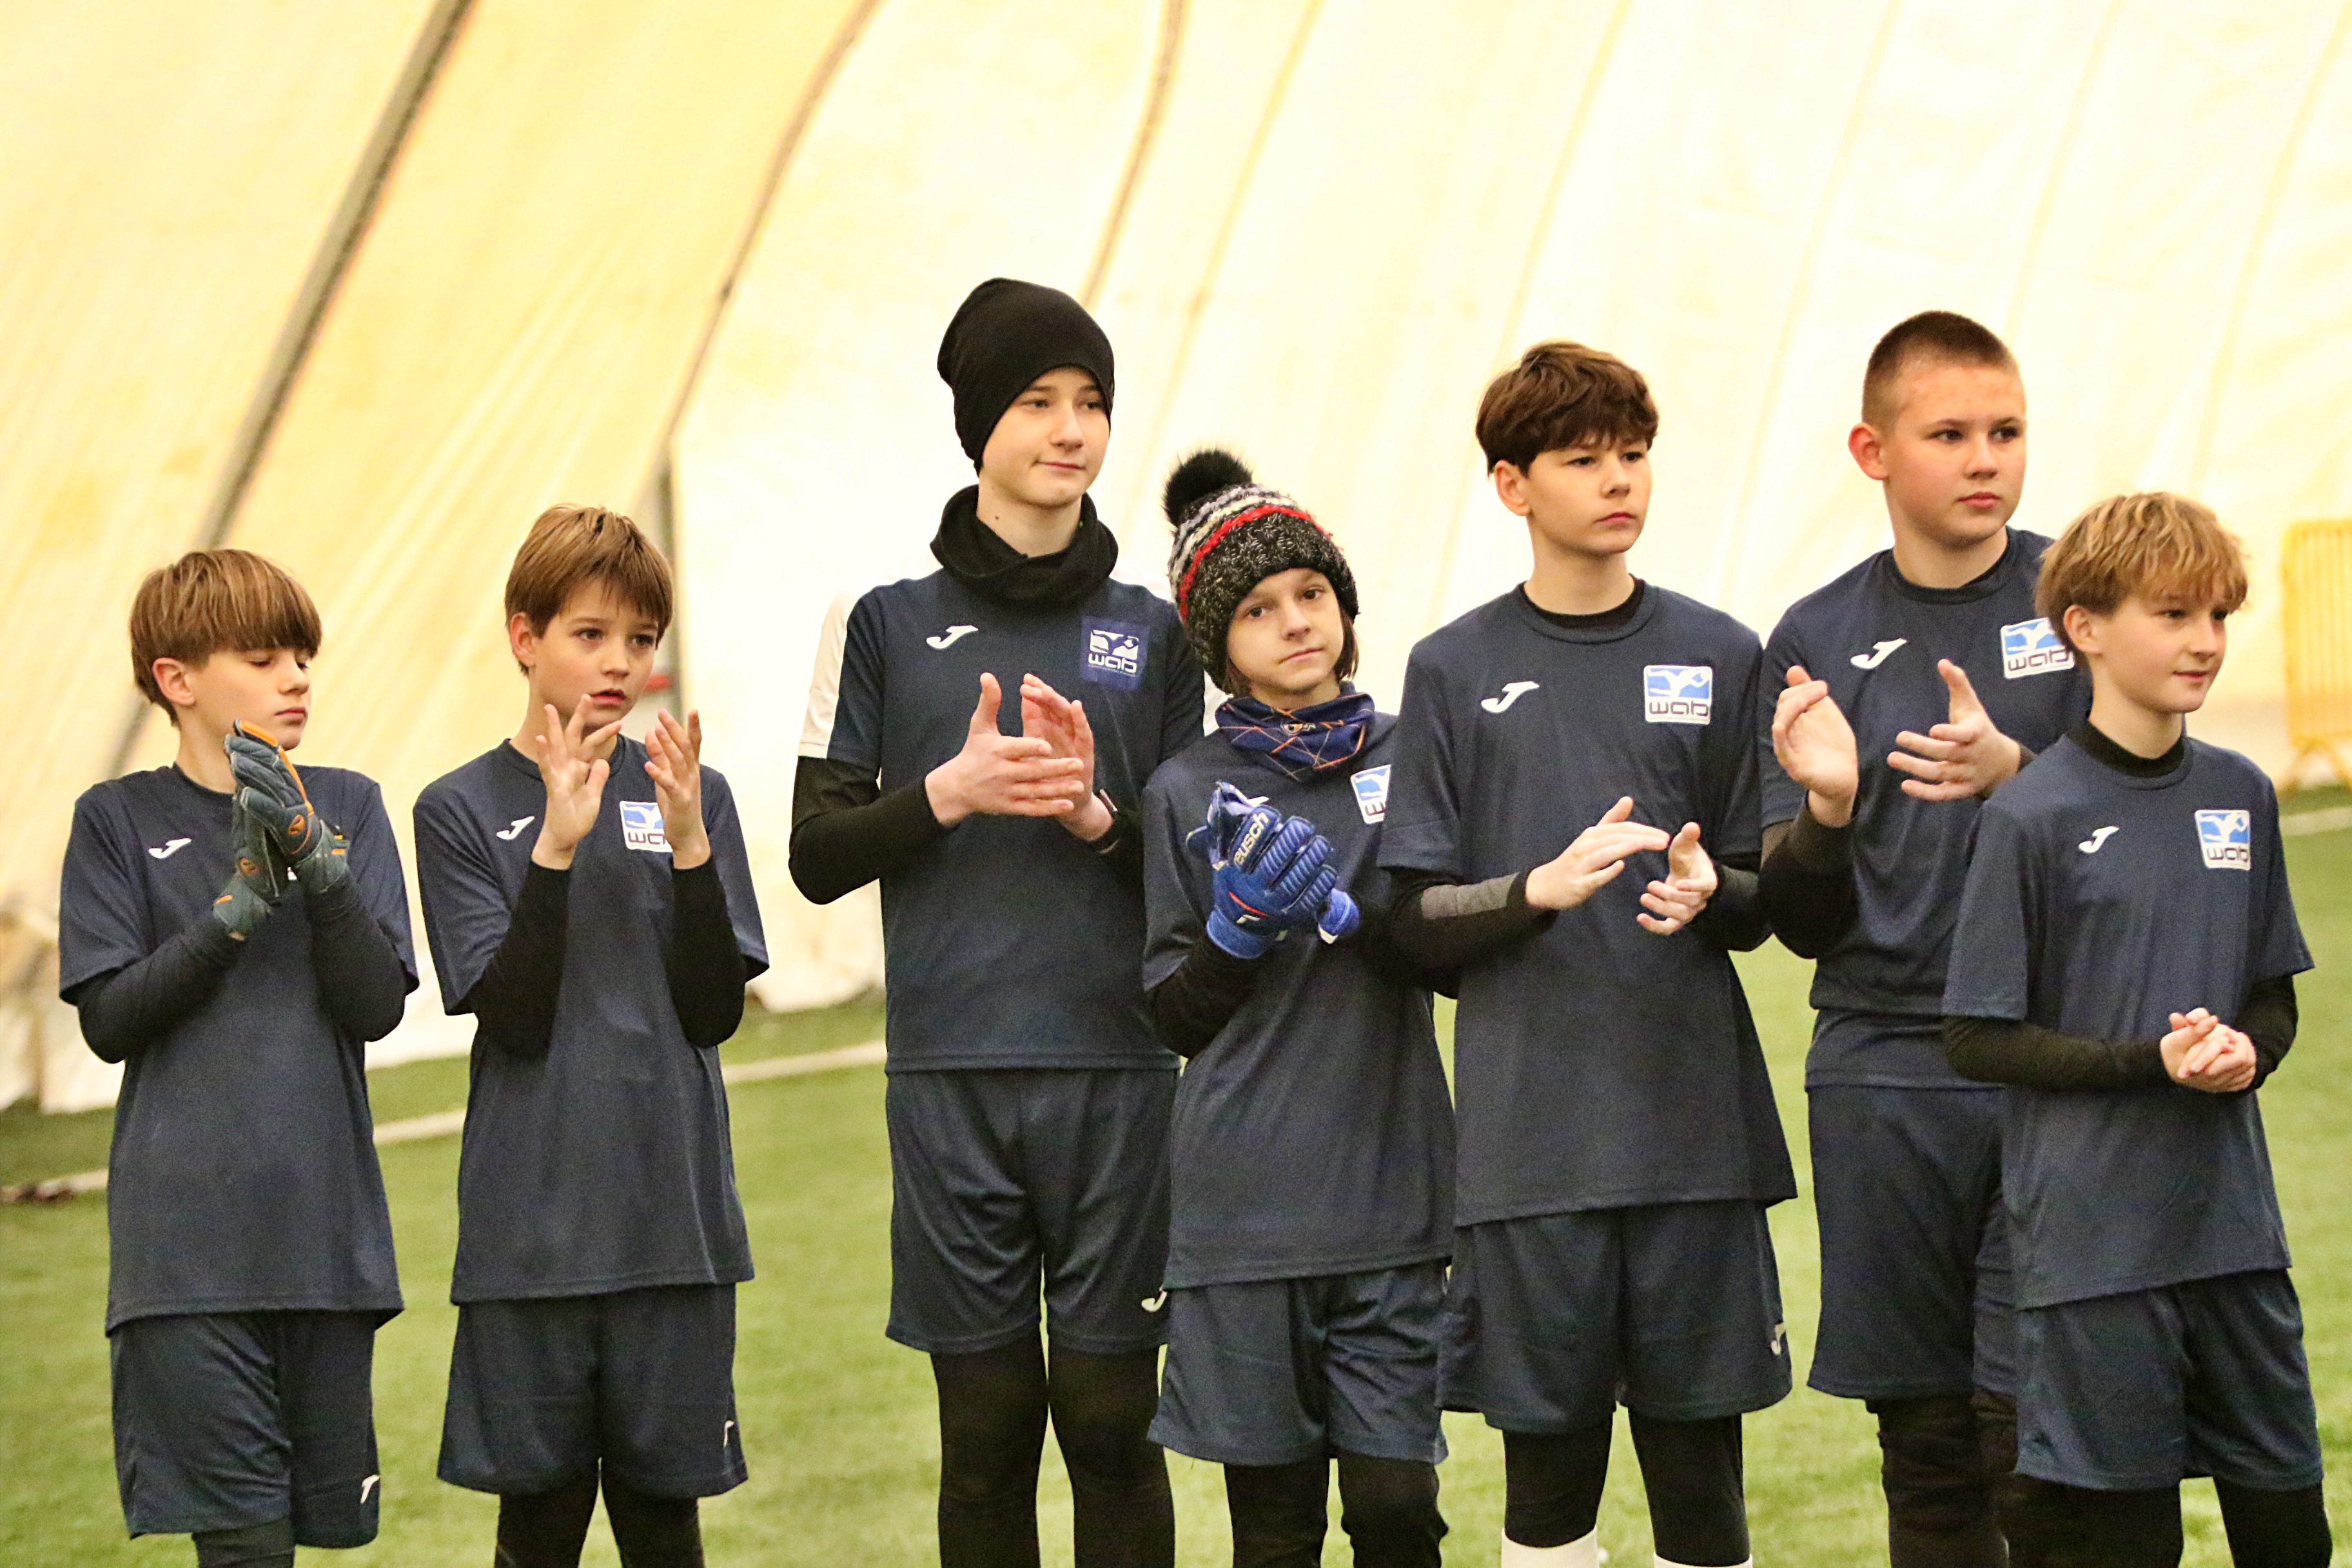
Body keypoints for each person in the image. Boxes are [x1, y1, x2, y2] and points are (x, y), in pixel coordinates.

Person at [790, 279, 1203, 1568]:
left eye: (1092, 402)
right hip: (950, 1081)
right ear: (980, 425)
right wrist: (949, 793)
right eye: (1037, 401)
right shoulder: (879, 624)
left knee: (1113, 1423)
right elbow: (814, 856)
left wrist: (1094, 815)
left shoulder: (1159, 633)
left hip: (1119, 1076)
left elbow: (1193, 871)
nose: (1071, 429)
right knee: (986, 1430)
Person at [1381, 342, 1790, 1568]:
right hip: (1533, 1154)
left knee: (1702, 1493)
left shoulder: (1721, 651)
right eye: (1582, 459)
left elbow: (1762, 903)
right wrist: (1533, 892)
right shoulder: (1452, 669)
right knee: (1549, 1495)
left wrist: (1717, 892)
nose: (1618, 480)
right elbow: (1410, 924)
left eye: (1634, 454)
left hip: (1694, 1143)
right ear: (1513, 485)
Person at [1943, 491, 2330, 1568]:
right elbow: (1976, 1037)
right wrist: (2148, 1062)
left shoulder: (2242, 794)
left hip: (2234, 1238)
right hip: (2093, 1257)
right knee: (2125, 1544)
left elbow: (2273, 994)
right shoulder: (2030, 815)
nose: (2205, 641)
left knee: (2289, 1529)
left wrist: (2250, 1051)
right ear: (2088, 628)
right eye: (2174, 614)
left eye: (2218, 615)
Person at [1758, 310, 2088, 1563]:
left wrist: (2022, 776)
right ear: (1873, 451)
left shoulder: (2085, 599)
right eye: (1949, 433)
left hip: (2048, 1060)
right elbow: (1796, 925)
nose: (1985, 458)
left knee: (2038, 1434)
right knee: (1930, 1444)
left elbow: (2150, 839)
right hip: (1882, 1073)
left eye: (2006, 430)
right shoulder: (1813, 637)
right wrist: (1829, 812)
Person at [413, 504, 767, 1568]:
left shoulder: (693, 794)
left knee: (666, 1530)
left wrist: (693, 847)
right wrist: (556, 850)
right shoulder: (457, 809)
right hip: (532, 1238)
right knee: (538, 1532)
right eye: (591, 634)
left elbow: (713, 1014)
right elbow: (515, 1017)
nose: (621, 662)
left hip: (675, 1230)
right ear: (524, 637)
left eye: (641, 639)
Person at [61, 549, 414, 1568]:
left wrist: (318, 865)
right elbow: (109, 1020)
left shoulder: (350, 802)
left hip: (328, 1249)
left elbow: (377, 1007)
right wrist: (233, 917)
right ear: (176, 679)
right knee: (246, 1551)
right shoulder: (115, 820)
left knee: (317, 1536)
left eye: (302, 656)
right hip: (185, 1264)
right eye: (263, 659)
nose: (296, 677)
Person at [1140, 450, 1456, 1567]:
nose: (1294, 622)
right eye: (1259, 609)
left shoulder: (1416, 753)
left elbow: (1457, 956)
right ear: (1217, 644)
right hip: (1242, 1213)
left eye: (1312, 592)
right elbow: (1171, 1016)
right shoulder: (1185, 790)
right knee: (1274, 1530)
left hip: (1391, 1199)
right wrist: (1234, 932)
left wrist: (1355, 919)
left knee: (1395, 1509)